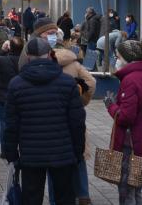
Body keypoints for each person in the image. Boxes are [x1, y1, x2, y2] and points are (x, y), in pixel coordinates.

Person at [5, 38, 86, 205]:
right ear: (50, 55)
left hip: (30, 154)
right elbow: (77, 122)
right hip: (62, 153)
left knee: (31, 198)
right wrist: (78, 152)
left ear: (27, 57)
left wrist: (11, 153)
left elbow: (11, 124)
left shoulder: (16, 84)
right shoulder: (67, 83)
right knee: (64, 197)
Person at [104, 40, 142, 205]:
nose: (117, 60)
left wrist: (111, 106)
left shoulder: (130, 80)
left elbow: (126, 117)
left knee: (126, 190)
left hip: (131, 144)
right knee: (136, 188)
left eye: (118, 56)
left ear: (127, 58)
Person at [53, 31, 96, 205]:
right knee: (79, 156)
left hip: (55, 115)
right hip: (75, 114)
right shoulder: (74, 64)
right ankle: (83, 195)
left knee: (56, 161)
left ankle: (58, 197)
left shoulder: (47, 63)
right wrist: (82, 100)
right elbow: (92, 82)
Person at [0, 37, 24, 159]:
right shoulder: (25, 62)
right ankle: (21, 147)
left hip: (4, 96)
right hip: (21, 97)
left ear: (10, 47)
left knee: (4, 123)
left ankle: (5, 150)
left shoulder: (2, 60)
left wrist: (3, 51)